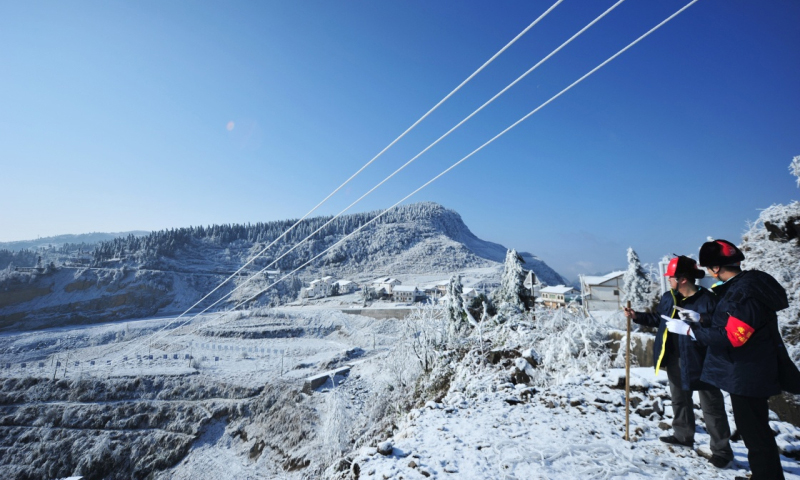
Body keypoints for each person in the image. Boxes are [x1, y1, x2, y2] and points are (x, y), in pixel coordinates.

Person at [665, 240, 789, 480]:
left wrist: (691, 331)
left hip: (748, 373)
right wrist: (701, 319)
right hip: (748, 370)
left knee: (755, 433)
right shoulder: (743, 287)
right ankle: (763, 474)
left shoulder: (742, 293)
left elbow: (734, 336)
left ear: (715, 268)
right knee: (754, 431)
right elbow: (733, 324)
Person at [624, 255, 733, 467]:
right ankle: (683, 436)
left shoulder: (708, 301)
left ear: (682, 279)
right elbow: (659, 320)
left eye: (671, 277)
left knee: (711, 406)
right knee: (679, 399)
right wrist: (637, 316)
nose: (669, 280)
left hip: (702, 360)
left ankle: (721, 451)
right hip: (674, 358)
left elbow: (720, 328)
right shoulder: (668, 297)